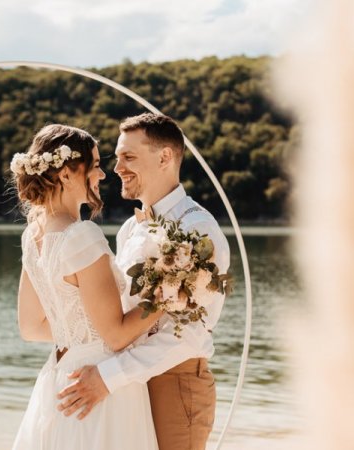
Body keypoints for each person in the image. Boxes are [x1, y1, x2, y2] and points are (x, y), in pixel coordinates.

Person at [56, 113, 230, 450]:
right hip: (128, 386)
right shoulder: (130, 229)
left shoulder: (199, 232)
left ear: (165, 157)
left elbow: (188, 335)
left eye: (128, 157)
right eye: (117, 157)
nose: (116, 168)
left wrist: (108, 378)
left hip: (172, 383)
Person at [10, 124, 161, 450]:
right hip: (100, 383)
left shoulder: (33, 236)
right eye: (94, 165)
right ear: (66, 174)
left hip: (61, 376)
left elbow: (31, 327)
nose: (102, 175)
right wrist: (166, 296)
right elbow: (117, 336)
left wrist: (79, 333)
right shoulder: (81, 236)